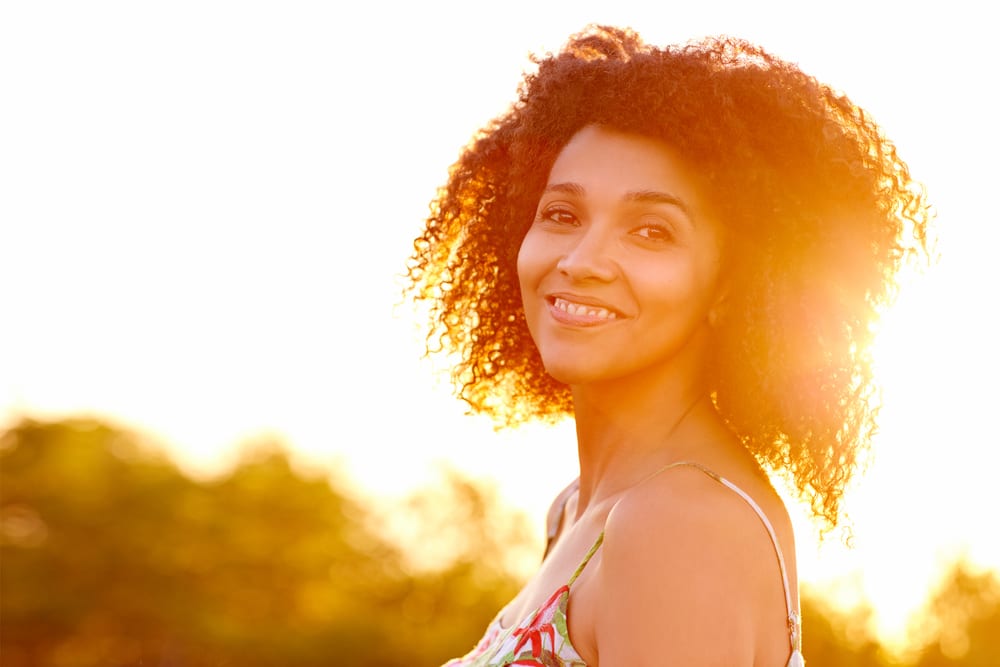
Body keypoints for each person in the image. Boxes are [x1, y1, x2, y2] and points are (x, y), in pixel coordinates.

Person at [406, 25, 931, 667]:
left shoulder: (679, 526)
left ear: (733, 286)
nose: (582, 260)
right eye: (562, 214)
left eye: (651, 231)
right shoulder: (576, 510)